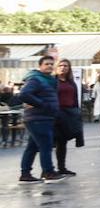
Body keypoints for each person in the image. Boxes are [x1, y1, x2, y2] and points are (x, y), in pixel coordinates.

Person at [16, 55, 66, 184]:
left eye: (51, 64)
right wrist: (42, 104)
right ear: (40, 66)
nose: (49, 66)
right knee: (45, 146)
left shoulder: (48, 79)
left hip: (43, 117)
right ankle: (48, 172)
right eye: (46, 64)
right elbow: (24, 94)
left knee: (32, 147)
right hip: (38, 117)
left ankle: (25, 174)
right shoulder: (36, 79)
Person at [53, 59, 81, 177]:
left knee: (62, 142)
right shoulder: (53, 81)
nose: (63, 68)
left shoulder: (71, 82)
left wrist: (76, 112)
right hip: (56, 113)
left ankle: (62, 167)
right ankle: (48, 169)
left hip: (69, 113)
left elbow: (75, 98)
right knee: (53, 142)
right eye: (61, 65)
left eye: (66, 66)